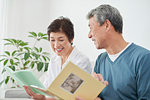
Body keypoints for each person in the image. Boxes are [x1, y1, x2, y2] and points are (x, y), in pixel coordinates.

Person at [76, 4, 150, 100]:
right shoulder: (101, 60)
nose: (89, 35)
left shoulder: (143, 58)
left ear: (107, 25)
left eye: (91, 28)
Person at [23, 16, 92, 100]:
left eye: (61, 40)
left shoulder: (81, 61)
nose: (56, 45)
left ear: (71, 39)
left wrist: (44, 98)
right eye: (52, 40)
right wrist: (40, 96)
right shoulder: (53, 61)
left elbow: (67, 94)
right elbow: (47, 89)